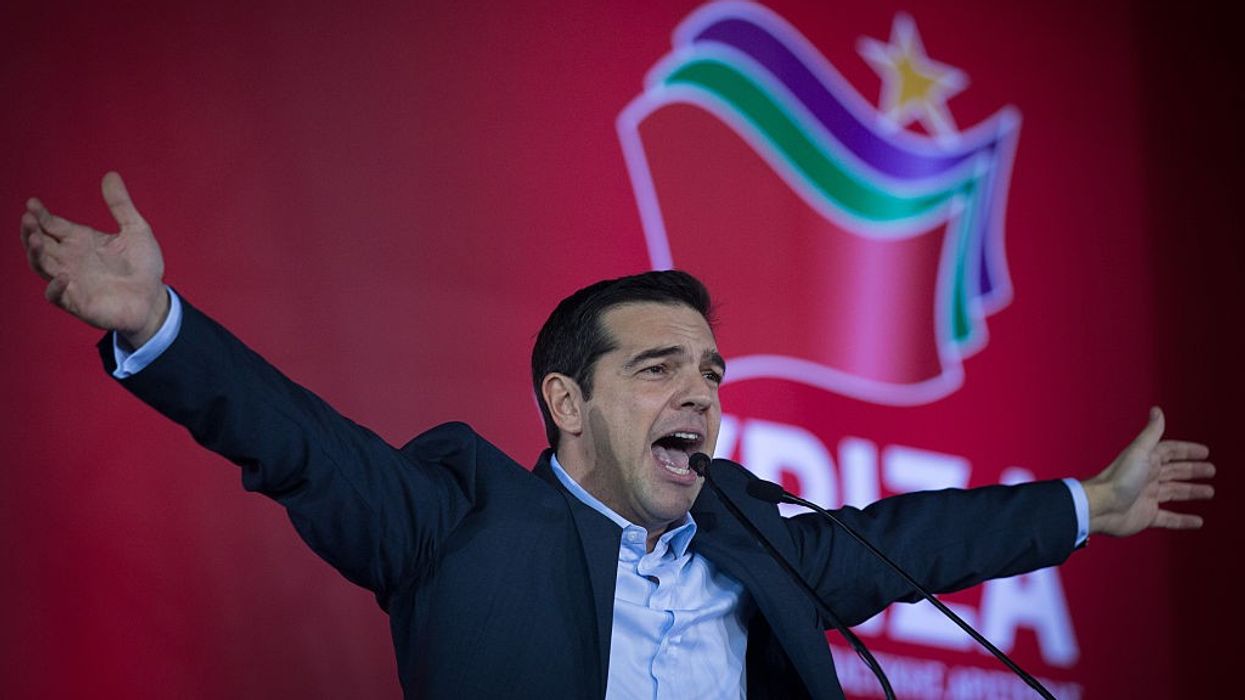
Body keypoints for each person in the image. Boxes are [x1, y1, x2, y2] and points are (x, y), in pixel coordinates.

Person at [19, 173, 1216, 699]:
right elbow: (301, 444)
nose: (697, 393)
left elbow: (914, 535)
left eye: (709, 370)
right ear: (565, 402)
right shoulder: (461, 519)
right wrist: (160, 329)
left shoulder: (753, 536)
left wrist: (1090, 506)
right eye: (656, 369)